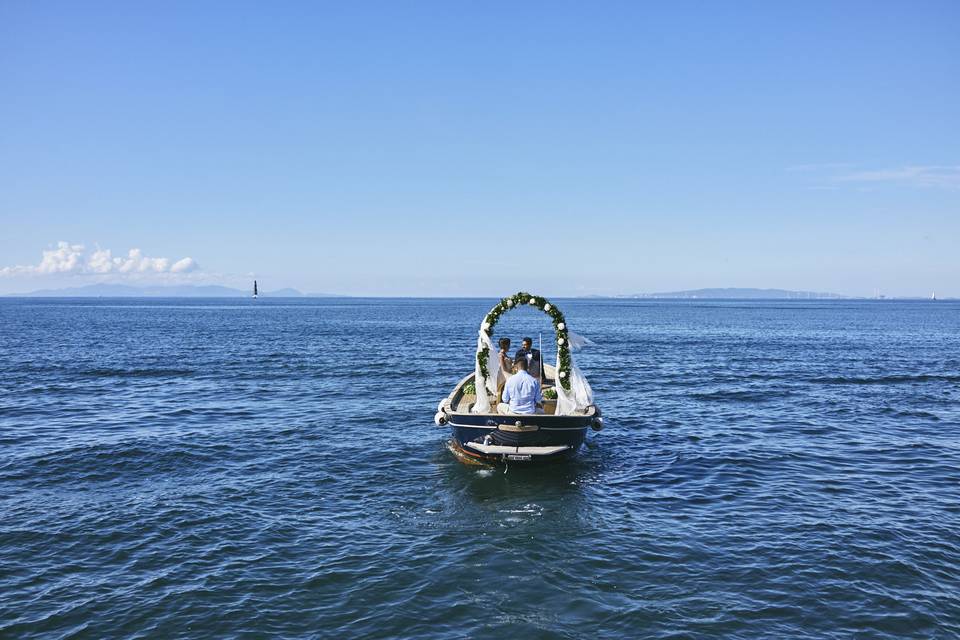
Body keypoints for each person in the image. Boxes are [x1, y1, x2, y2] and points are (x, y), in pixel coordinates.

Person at [495, 337, 513, 404]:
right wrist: (509, 376)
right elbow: (503, 368)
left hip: (507, 373)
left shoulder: (505, 354)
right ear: (505, 345)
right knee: (503, 391)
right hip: (503, 375)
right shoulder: (501, 355)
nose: (509, 346)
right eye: (509, 345)